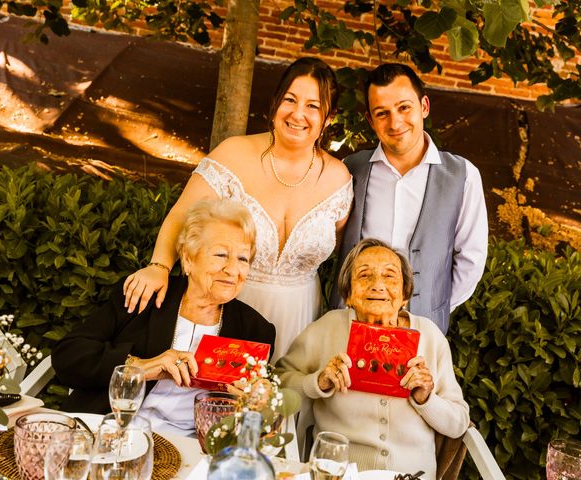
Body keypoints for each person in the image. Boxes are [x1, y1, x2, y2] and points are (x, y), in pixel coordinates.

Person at [123, 57, 352, 360]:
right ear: (275, 103)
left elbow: (341, 253)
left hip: (302, 315)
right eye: (290, 100)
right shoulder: (234, 153)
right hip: (229, 306)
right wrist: (159, 266)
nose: (298, 114)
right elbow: (182, 215)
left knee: (287, 397)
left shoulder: (339, 179)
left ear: (329, 117)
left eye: (313, 106)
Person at [52, 199, 276, 436]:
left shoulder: (256, 331)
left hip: (188, 447)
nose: (232, 270)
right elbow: (68, 356)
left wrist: (259, 404)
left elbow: (256, 424)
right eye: (221, 255)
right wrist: (141, 367)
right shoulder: (145, 296)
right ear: (188, 259)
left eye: (242, 259)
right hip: (109, 425)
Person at [279, 239, 469, 479]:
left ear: (405, 295)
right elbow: (278, 383)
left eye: (389, 276)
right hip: (341, 473)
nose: (378, 285)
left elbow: (459, 424)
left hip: (411, 475)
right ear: (348, 294)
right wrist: (319, 382)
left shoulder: (429, 336)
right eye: (364, 275)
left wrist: (426, 399)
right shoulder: (327, 328)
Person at [330, 63, 488, 334]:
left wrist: (430, 307)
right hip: (349, 321)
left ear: (424, 106)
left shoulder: (463, 175)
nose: (395, 123)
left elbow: (471, 260)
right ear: (370, 120)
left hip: (421, 328)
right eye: (382, 113)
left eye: (404, 108)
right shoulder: (350, 169)